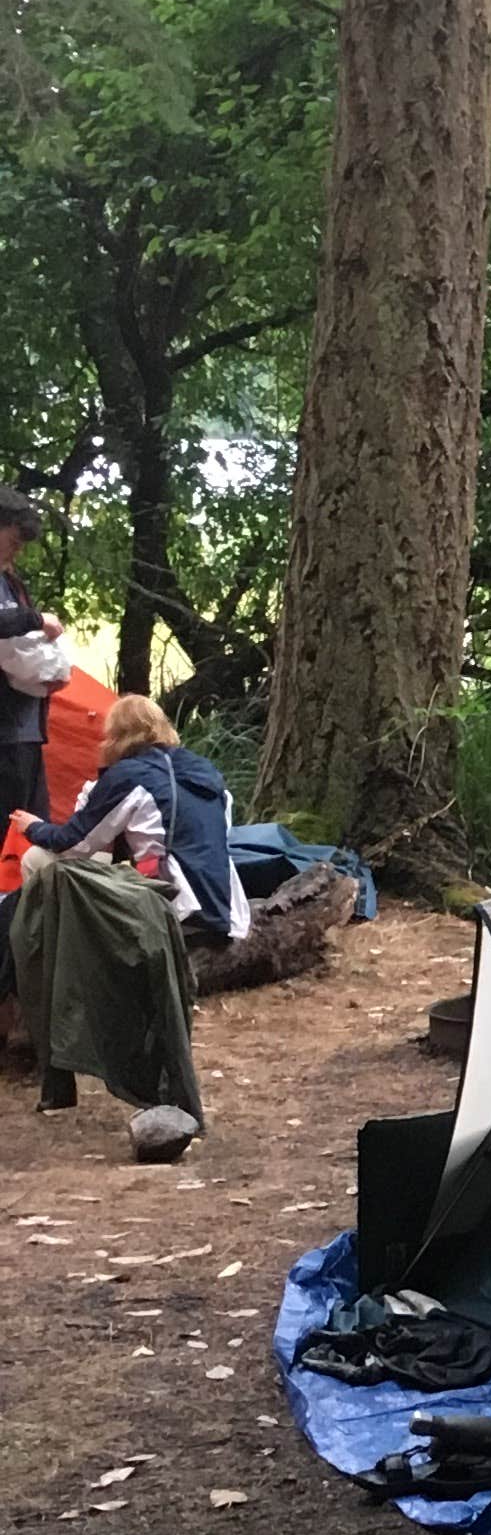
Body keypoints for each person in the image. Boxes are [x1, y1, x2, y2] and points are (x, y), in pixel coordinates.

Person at [7, 690, 247, 1148]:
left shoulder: (129, 776)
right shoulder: (207, 773)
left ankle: (47, 963)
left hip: (172, 902)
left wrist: (31, 825)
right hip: (224, 904)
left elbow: (73, 843)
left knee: (41, 862)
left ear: (117, 737)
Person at [0, 487, 67, 832]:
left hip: (26, 728)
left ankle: (27, 887)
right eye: (14, 538)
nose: (19, 548)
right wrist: (37, 620)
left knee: (33, 825)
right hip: (5, 731)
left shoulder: (11, 581)